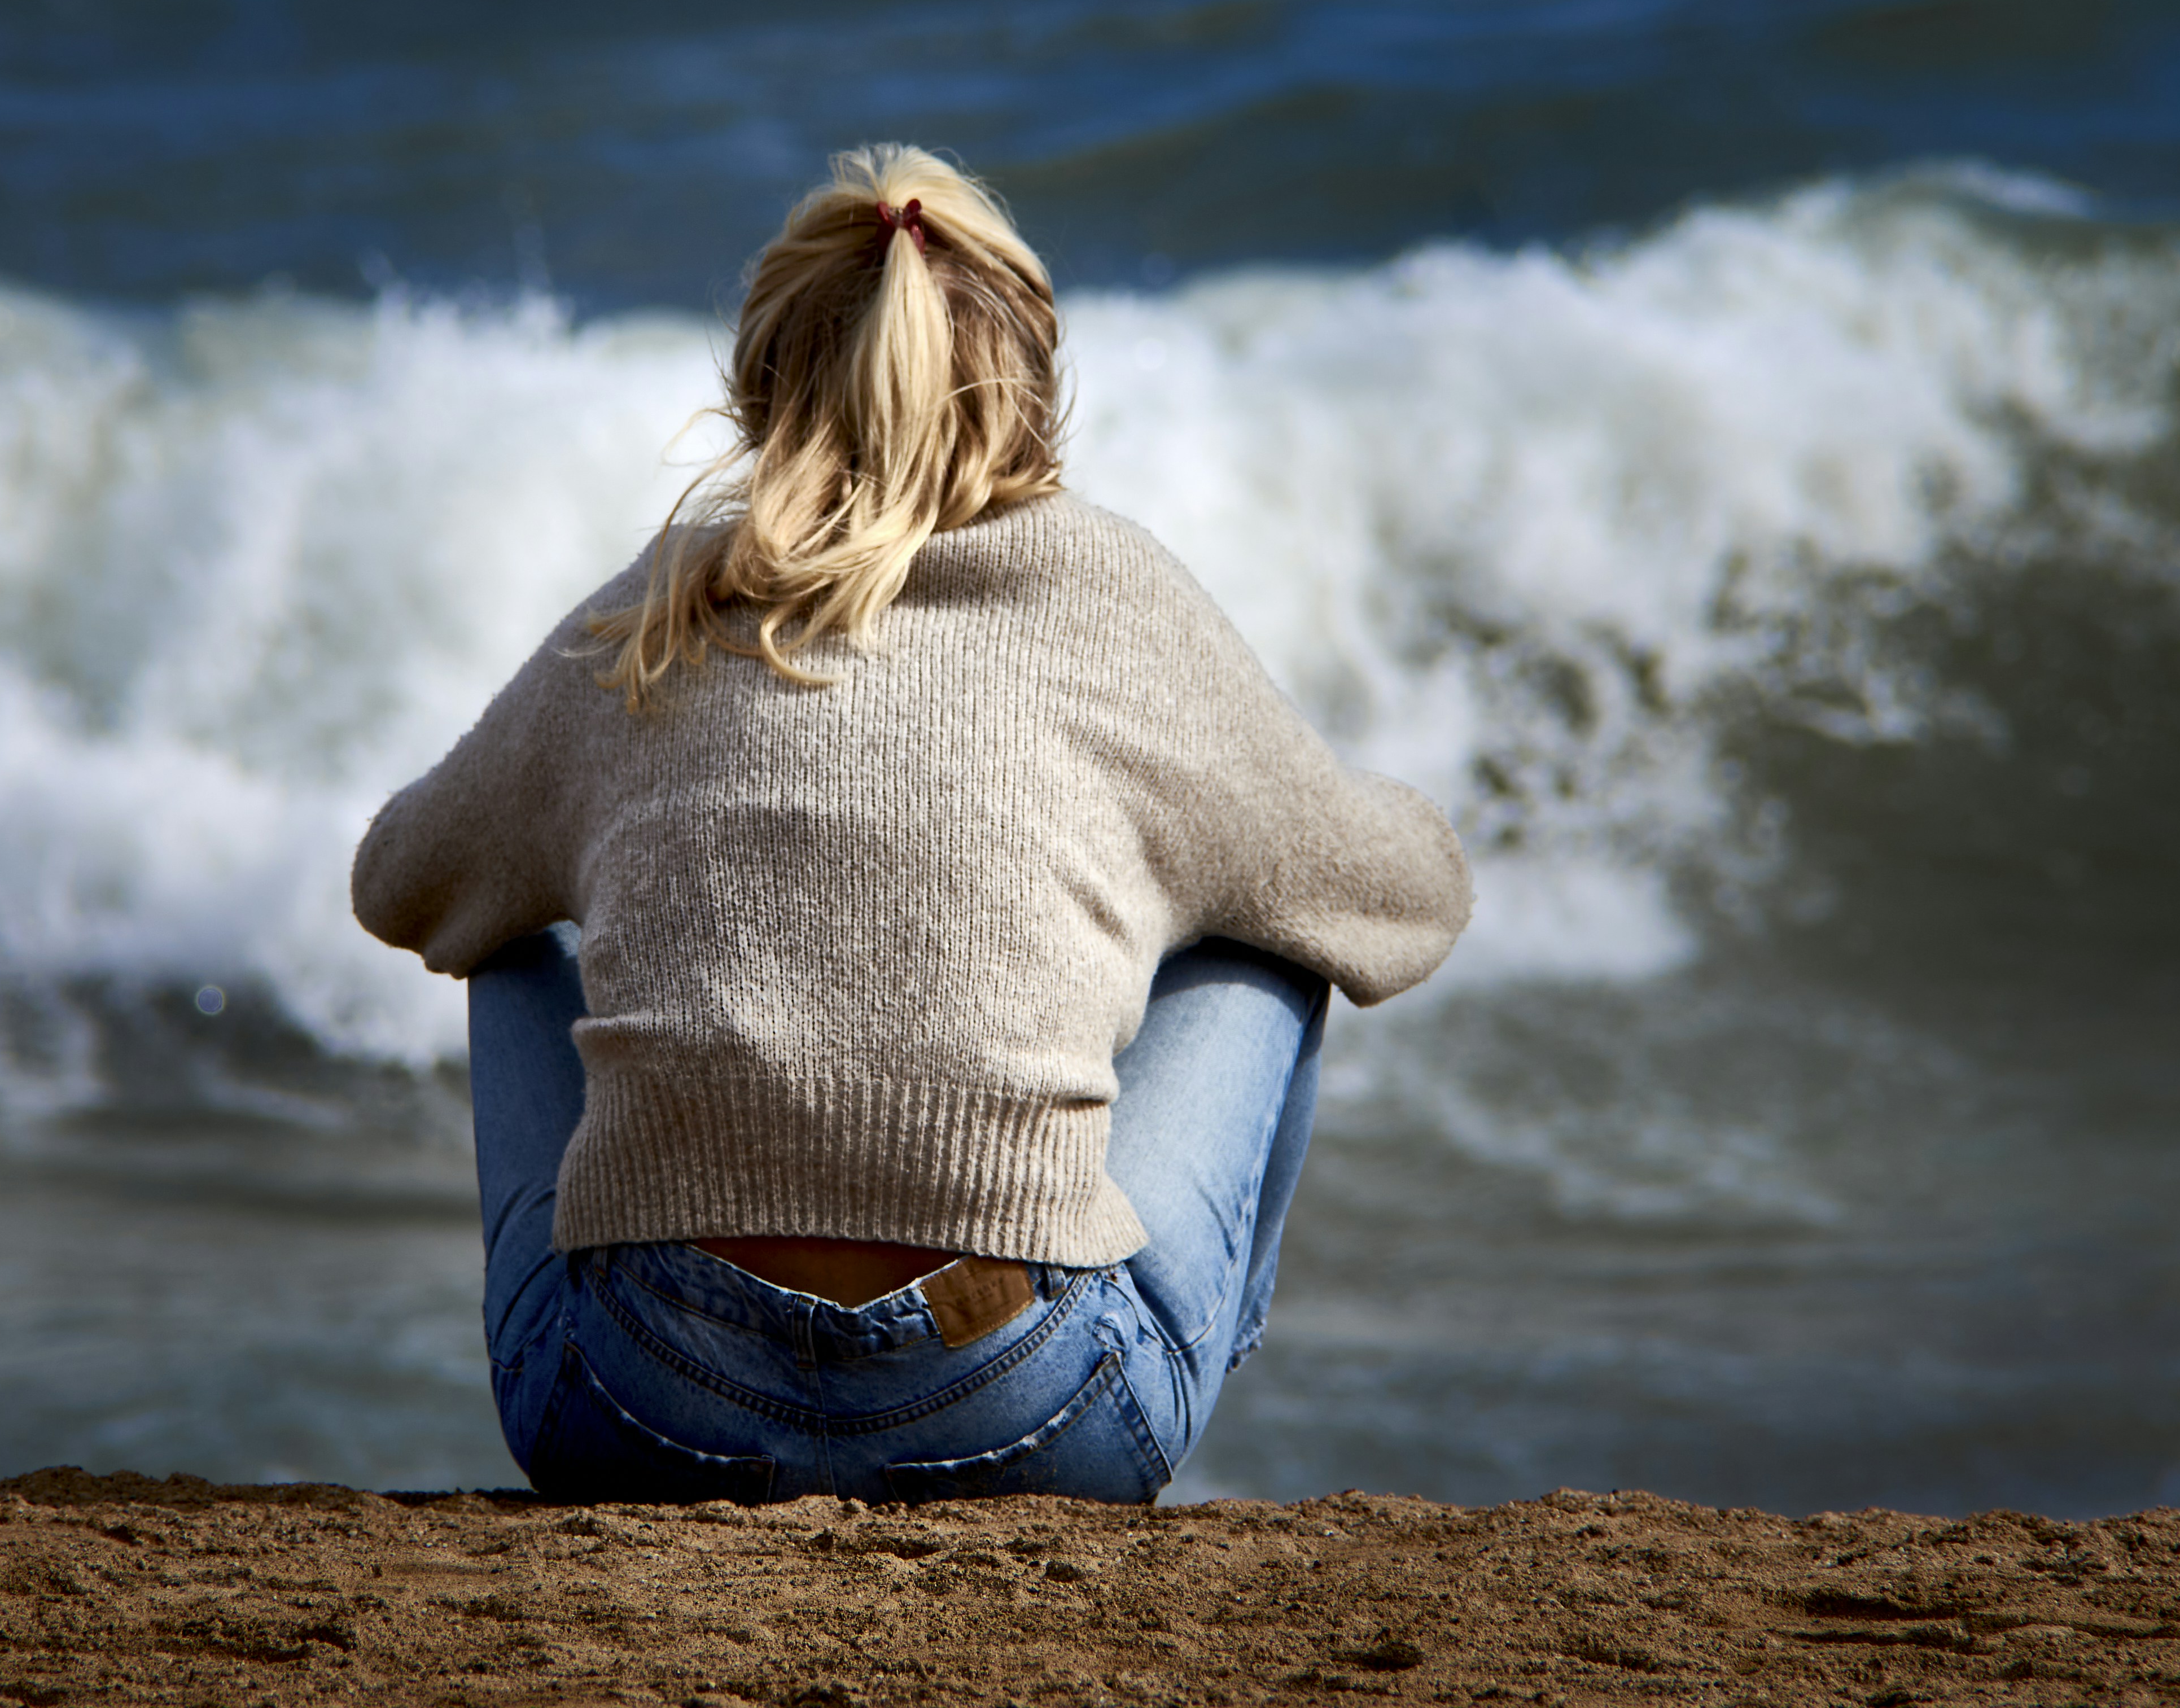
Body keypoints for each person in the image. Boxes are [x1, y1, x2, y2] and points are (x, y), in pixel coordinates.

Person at [352, 144, 1470, 1504]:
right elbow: (1397, 907)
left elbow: (407, 883)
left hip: (640, 1404)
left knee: (509, 945)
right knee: (1274, 943)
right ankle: (1177, 1359)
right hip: (1027, 1403)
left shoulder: (660, 611)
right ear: (1029, 383)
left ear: (763, 384)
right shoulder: (1105, 590)